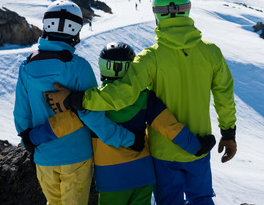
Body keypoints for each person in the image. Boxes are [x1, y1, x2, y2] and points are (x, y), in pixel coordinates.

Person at [44, 0, 237, 205]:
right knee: (202, 199)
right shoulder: (211, 52)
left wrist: (75, 99)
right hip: (200, 145)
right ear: (187, 11)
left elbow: (121, 94)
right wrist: (228, 133)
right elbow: (224, 94)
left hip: (163, 151)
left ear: (157, 15)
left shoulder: (150, 58)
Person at [29, 42, 216, 205]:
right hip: (143, 174)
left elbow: (65, 123)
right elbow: (169, 126)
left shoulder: (93, 100)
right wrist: (196, 146)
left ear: (103, 67)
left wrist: (32, 138)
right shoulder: (145, 97)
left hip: (111, 180)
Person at [13, 0, 138, 205]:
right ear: (76, 30)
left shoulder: (26, 67)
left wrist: (29, 140)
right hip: (77, 155)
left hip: (44, 155)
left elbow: (21, 114)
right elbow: (93, 115)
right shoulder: (79, 67)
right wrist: (126, 140)